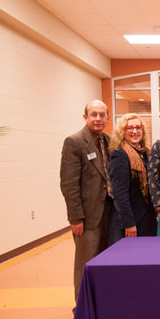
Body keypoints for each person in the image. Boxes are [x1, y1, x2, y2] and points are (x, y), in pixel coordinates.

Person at [60, 100, 112, 303]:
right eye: (93, 114)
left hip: (109, 212)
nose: (98, 119)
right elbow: (69, 183)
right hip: (87, 216)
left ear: (108, 118)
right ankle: (81, 309)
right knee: (85, 263)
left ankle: (99, 303)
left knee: (104, 262)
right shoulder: (74, 142)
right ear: (85, 117)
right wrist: (75, 217)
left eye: (102, 115)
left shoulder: (108, 140)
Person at [107, 113, 157, 245]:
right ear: (122, 132)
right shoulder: (119, 156)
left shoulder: (146, 153)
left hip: (146, 218)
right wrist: (129, 223)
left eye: (138, 128)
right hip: (130, 220)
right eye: (129, 128)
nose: (134, 131)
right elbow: (120, 194)